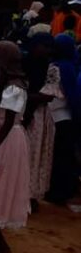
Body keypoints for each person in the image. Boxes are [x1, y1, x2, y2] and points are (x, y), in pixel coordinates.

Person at [0, 42, 31, 231]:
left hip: (6, 139)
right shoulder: (9, 81)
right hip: (3, 135)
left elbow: (8, 122)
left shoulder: (15, 87)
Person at [23, 32, 57, 212]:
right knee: (24, 156)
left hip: (39, 118)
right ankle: (19, 194)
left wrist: (27, 96)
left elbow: (49, 96)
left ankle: (32, 195)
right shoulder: (23, 63)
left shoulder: (51, 68)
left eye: (49, 46)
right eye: (44, 45)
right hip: (23, 115)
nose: (47, 50)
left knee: (36, 158)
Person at [45, 34, 80, 205]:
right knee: (64, 157)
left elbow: (50, 94)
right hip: (65, 116)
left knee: (57, 157)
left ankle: (56, 191)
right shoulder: (69, 67)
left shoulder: (53, 66)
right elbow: (72, 96)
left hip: (54, 117)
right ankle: (65, 190)